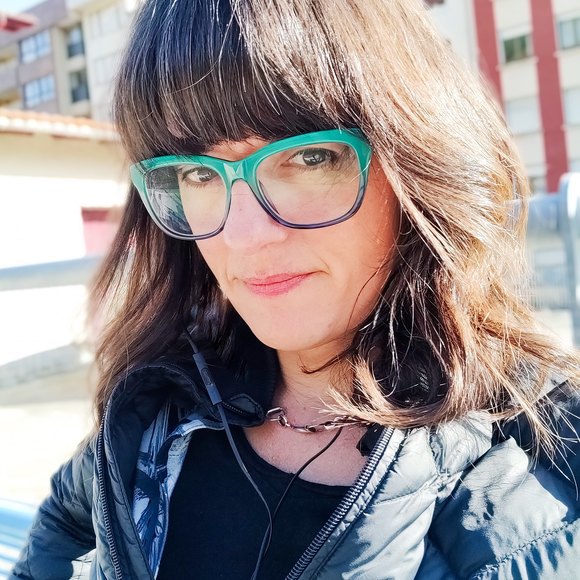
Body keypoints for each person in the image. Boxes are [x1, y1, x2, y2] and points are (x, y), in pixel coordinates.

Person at [11, 0, 580, 578]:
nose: (243, 235)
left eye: (308, 158)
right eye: (199, 173)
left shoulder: (543, 475)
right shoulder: (157, 410)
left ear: (416, 164)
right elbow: (61, 533)